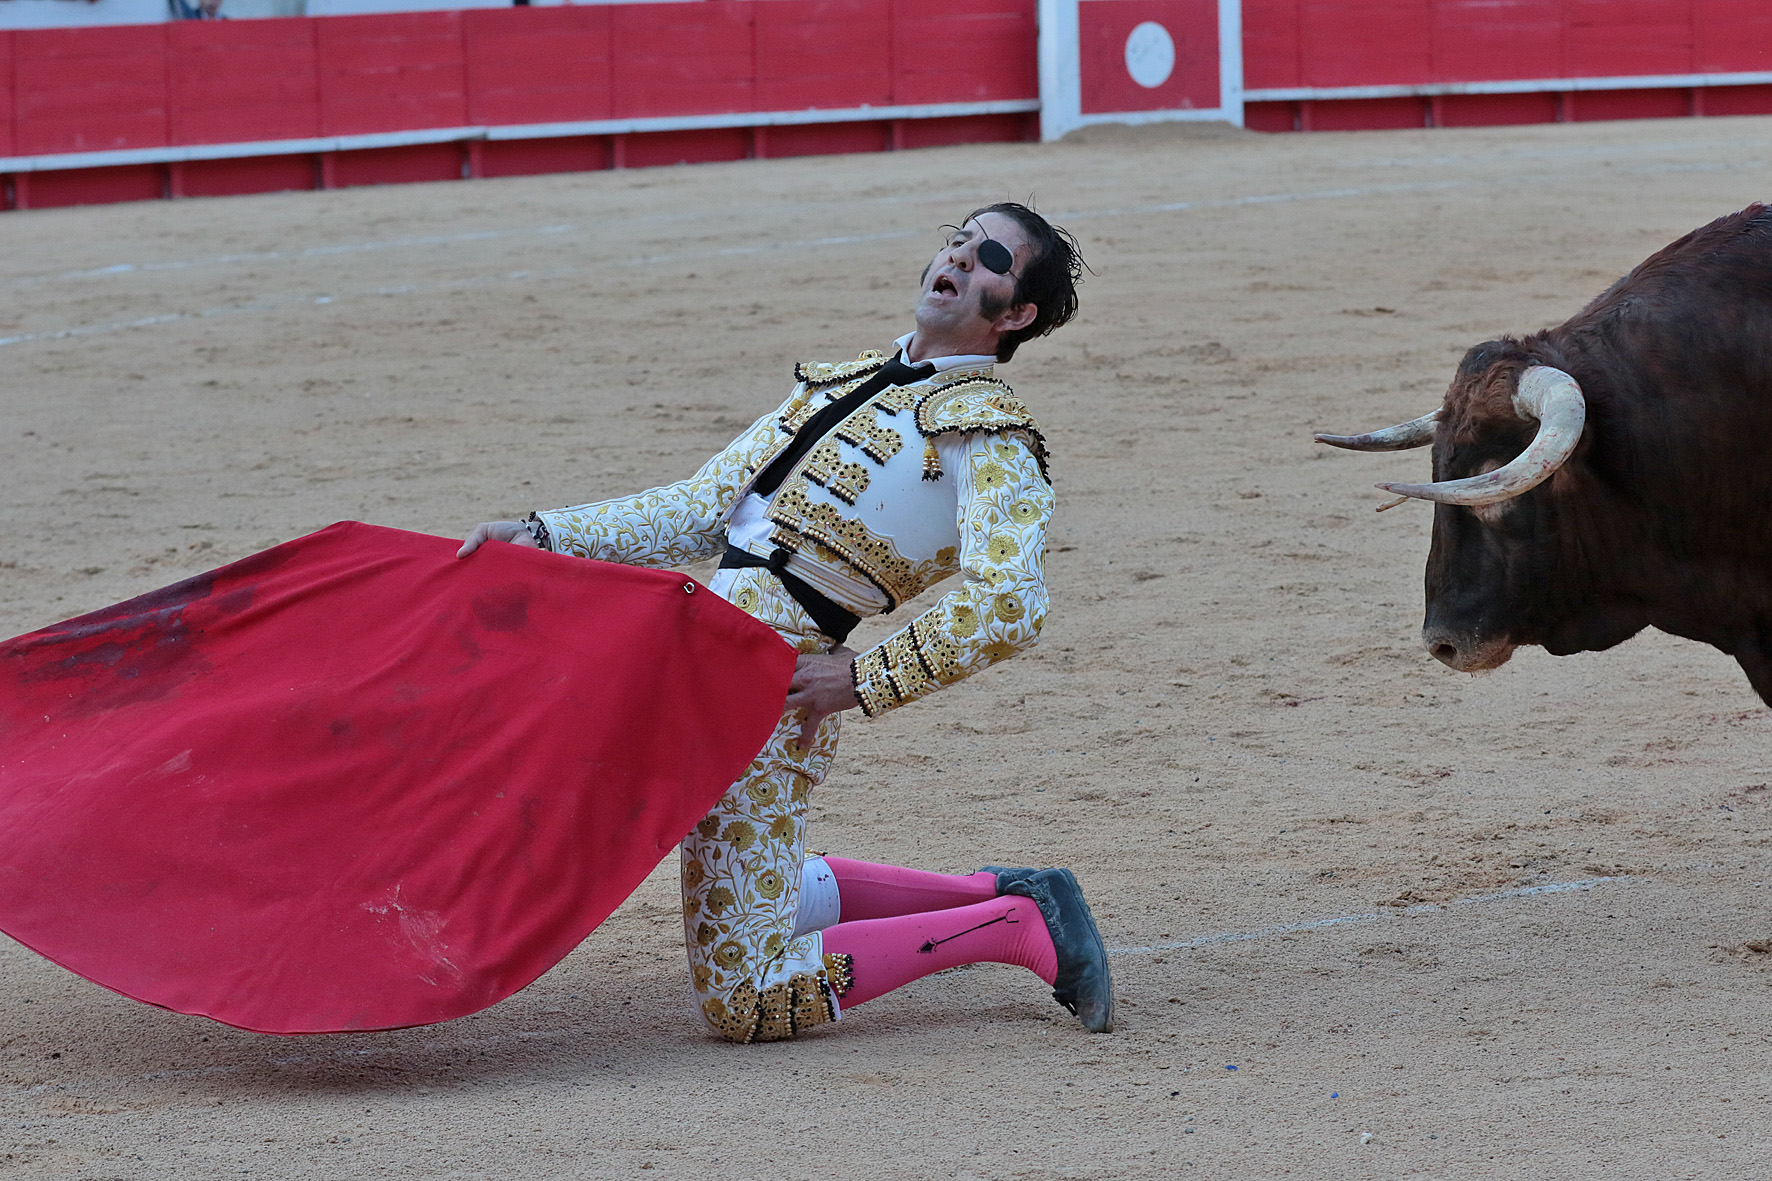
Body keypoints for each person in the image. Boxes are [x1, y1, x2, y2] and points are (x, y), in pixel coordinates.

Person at [459, 202, 1112, 1042]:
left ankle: (1011, 927)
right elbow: (703, 510)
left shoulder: (989, 435)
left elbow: (1011, 599)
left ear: (1016, 314)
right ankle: (998, 896)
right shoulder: (843, 385)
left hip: (776, 690)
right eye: (956, 237)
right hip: (690, 660)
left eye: (987, 255)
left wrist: (865, 679)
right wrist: (547, 535)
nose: (954, 256)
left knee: (749, 998)